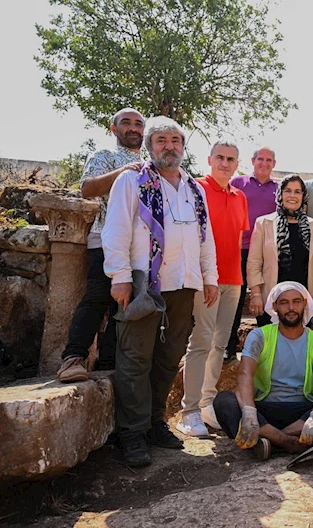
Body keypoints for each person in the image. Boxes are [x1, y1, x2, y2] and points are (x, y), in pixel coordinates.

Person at [103, 116, 219, 467]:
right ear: (151, 146)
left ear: (183, 147)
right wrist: (119, 276)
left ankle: (154, 423)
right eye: (161, 140)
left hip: (184, 286)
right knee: (135, 359)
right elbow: (116, 230)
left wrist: (209, 276)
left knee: (169, 359)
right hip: (143, 285)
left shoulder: (194, 188)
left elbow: (205, 237)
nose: (169, 146)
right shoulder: (132, 181)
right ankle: (132, 435)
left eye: (175, 140)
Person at [213, 282, 313, 460]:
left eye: (296, 301)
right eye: (284, 302)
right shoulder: (259, 336)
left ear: (304, 304)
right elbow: (245, 374)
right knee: (223, 401)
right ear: (274, 307)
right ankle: (295, 442)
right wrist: (249, 413)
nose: (291, 308)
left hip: (303, 411)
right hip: (264, 410)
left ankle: (269, 441)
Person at [57, 108, 144, 382]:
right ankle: (73, 359)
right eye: (126, 123)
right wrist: (125, 171)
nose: (133, 128)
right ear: (113, 128)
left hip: (138, 245)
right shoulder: (104, 156)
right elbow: (88, 188)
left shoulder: (153, 162)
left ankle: (109, 365)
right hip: (105, 238)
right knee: (97, 298)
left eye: (138, 124)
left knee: (127, 307)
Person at [178, 141, 249, 437]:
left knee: (220, 344)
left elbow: (236, 240)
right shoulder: (194, 188)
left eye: (231, 159)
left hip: (233, 279)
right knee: (201, 341)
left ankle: (207, 404)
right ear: (209, 159)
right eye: (220, 157)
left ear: (236, 163)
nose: (225, 163)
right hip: (206, 279)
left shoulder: (240, 197)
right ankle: (189, 410)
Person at [247, 175, 313, 326]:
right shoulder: (263, 223)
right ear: (280, 194)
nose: (292, 196)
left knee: (300, 348)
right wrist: (256, 294)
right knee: (271, 347)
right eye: (288, 191)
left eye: (298, 192)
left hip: (303, 302)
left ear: (304, 196)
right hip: (271, 302)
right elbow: (254, 262)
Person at [226, 146, 279, 357]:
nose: (264, 163)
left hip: (267, 253)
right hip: (239, 250)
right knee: (235, 300)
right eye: (260, 159)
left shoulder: (280, 187)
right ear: (253, 161)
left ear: (274, 164)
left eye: (269, 160)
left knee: (266, 301)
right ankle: (228, 347)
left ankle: (267, 350)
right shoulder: (238, 183)